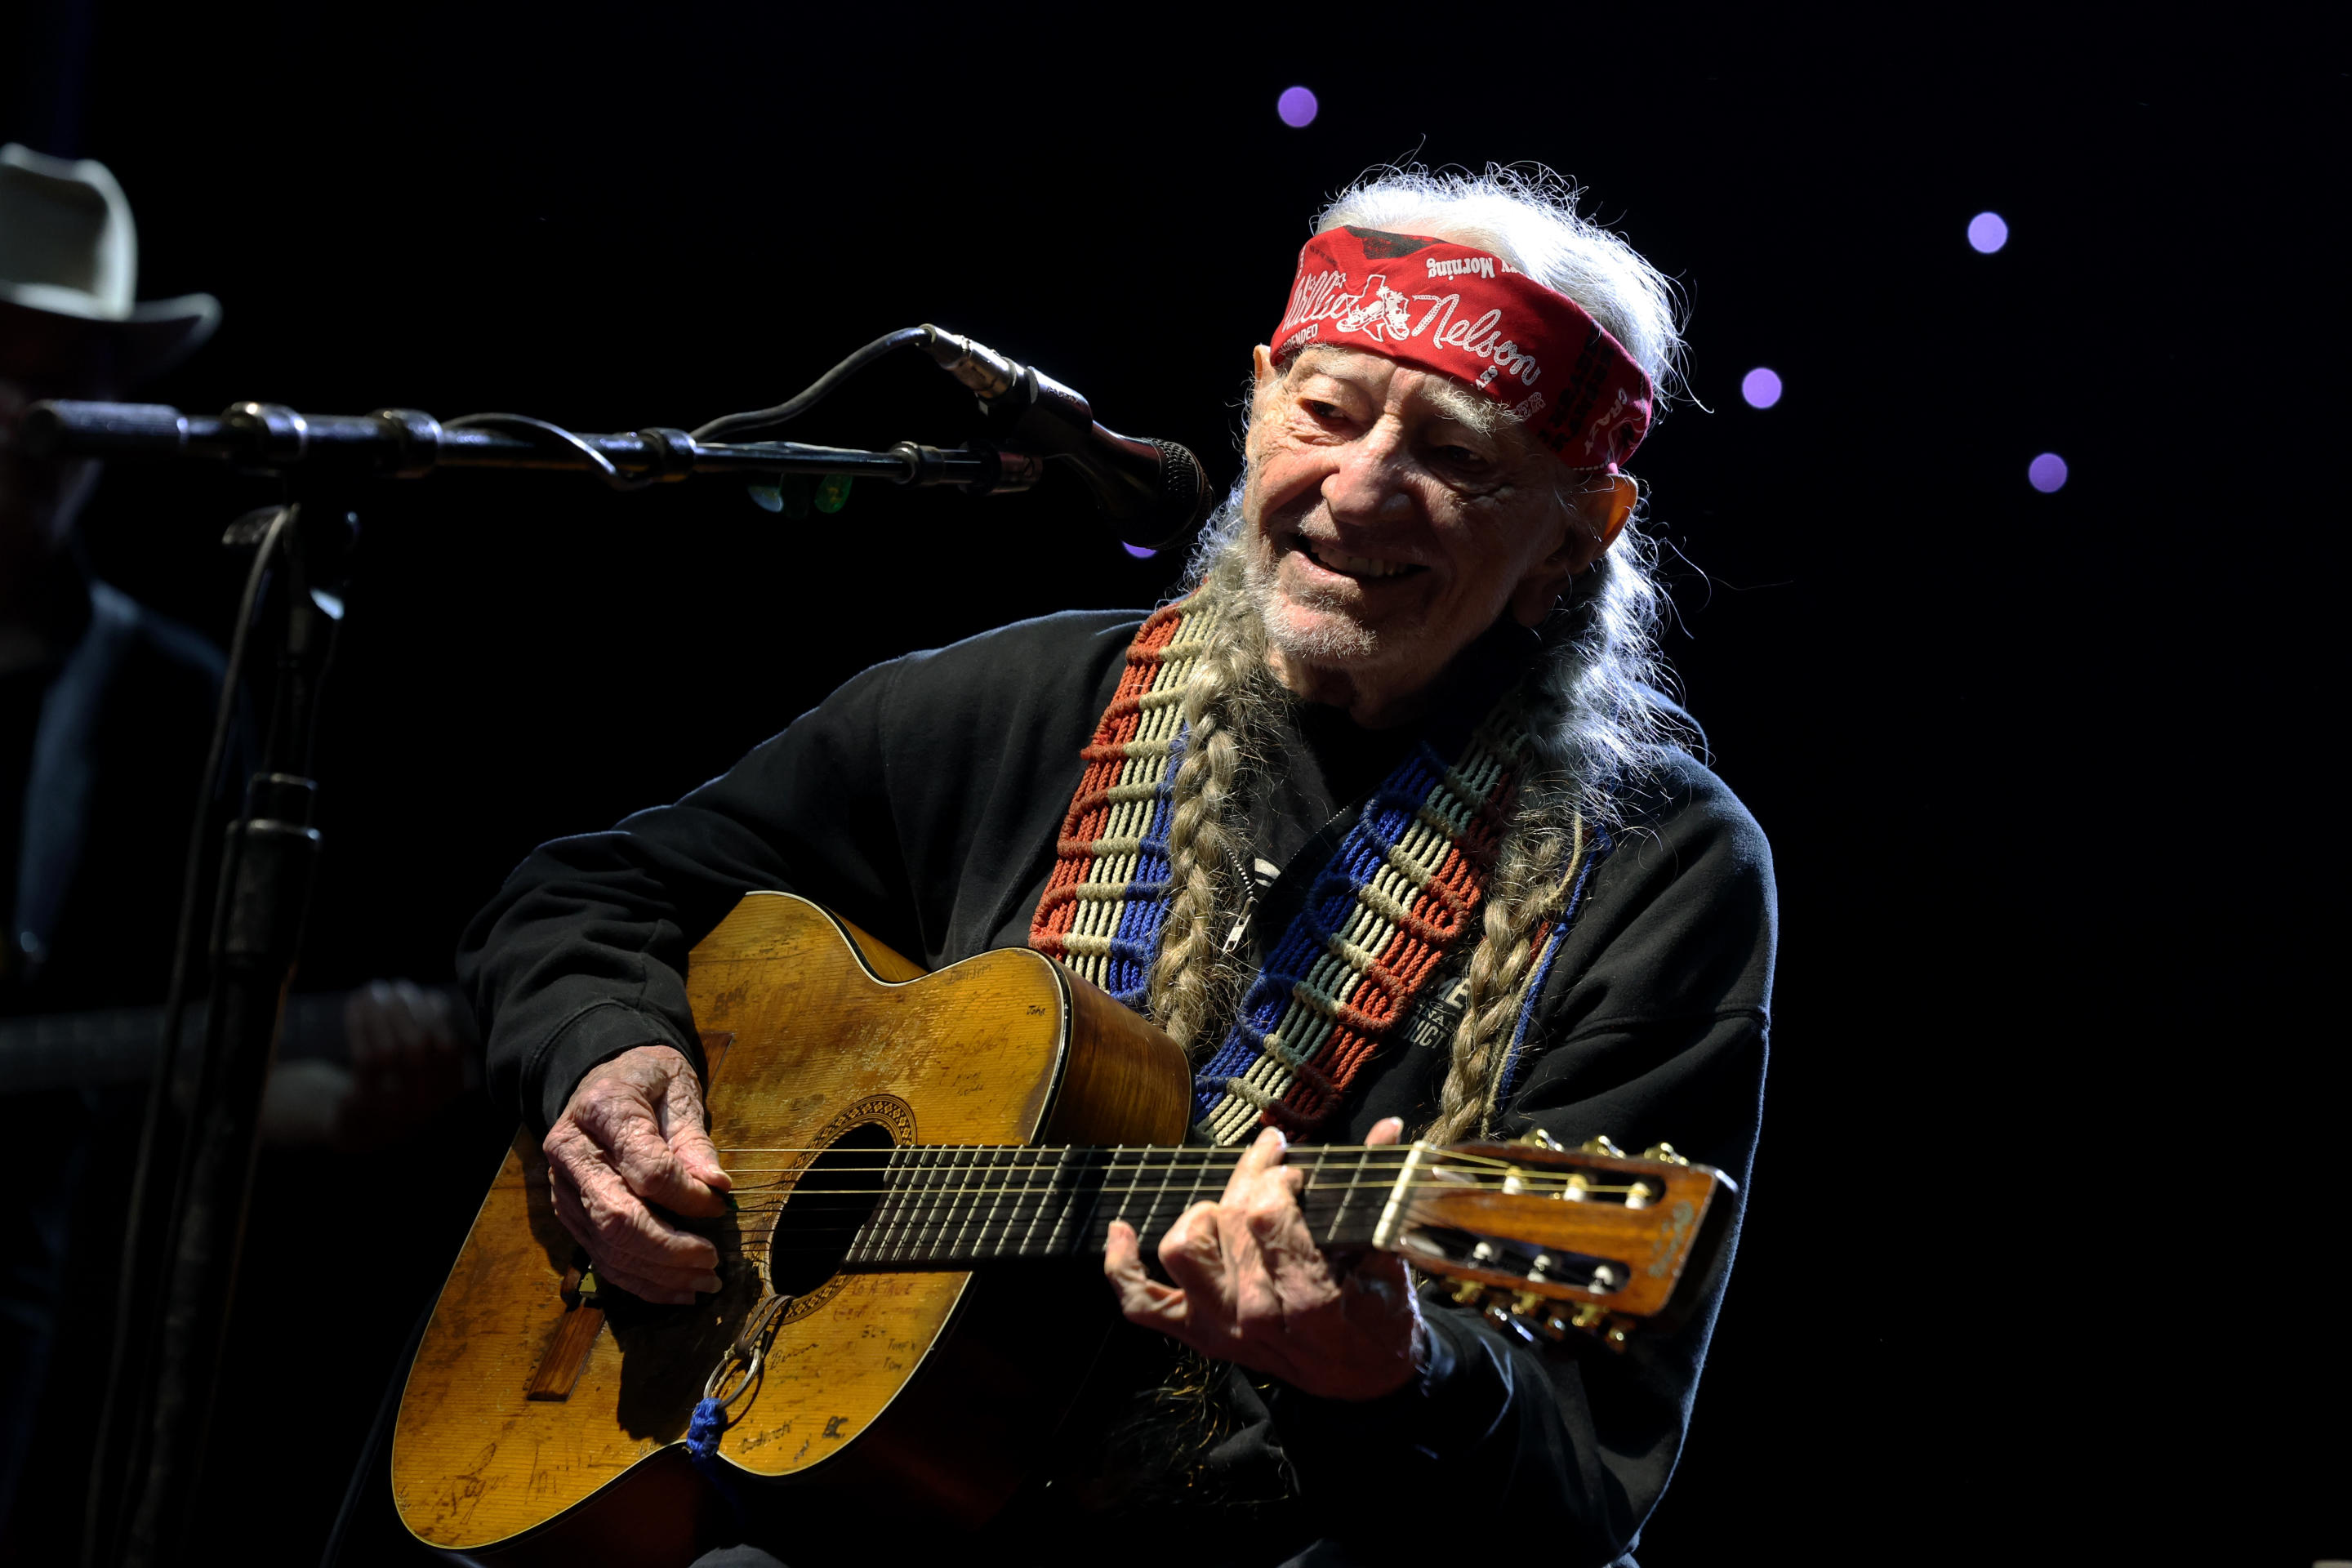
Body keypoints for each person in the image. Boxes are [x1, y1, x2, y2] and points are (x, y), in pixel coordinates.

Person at [460, 166, 1776, 1568]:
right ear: (1260, 396)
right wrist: (604, 1054)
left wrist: (1393, 1380)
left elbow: (1570, 1502)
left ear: (1580, 529)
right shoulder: (1011, 702)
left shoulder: (1656, 872)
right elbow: (583, 891)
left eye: (1454, 456)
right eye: (1325, 414)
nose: (1364, 486)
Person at [0, 142, 472, 1553]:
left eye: (64, 380)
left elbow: (189, 1078)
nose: (31, 418)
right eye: (0, 364)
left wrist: (350, 1105)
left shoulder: (170, 701)